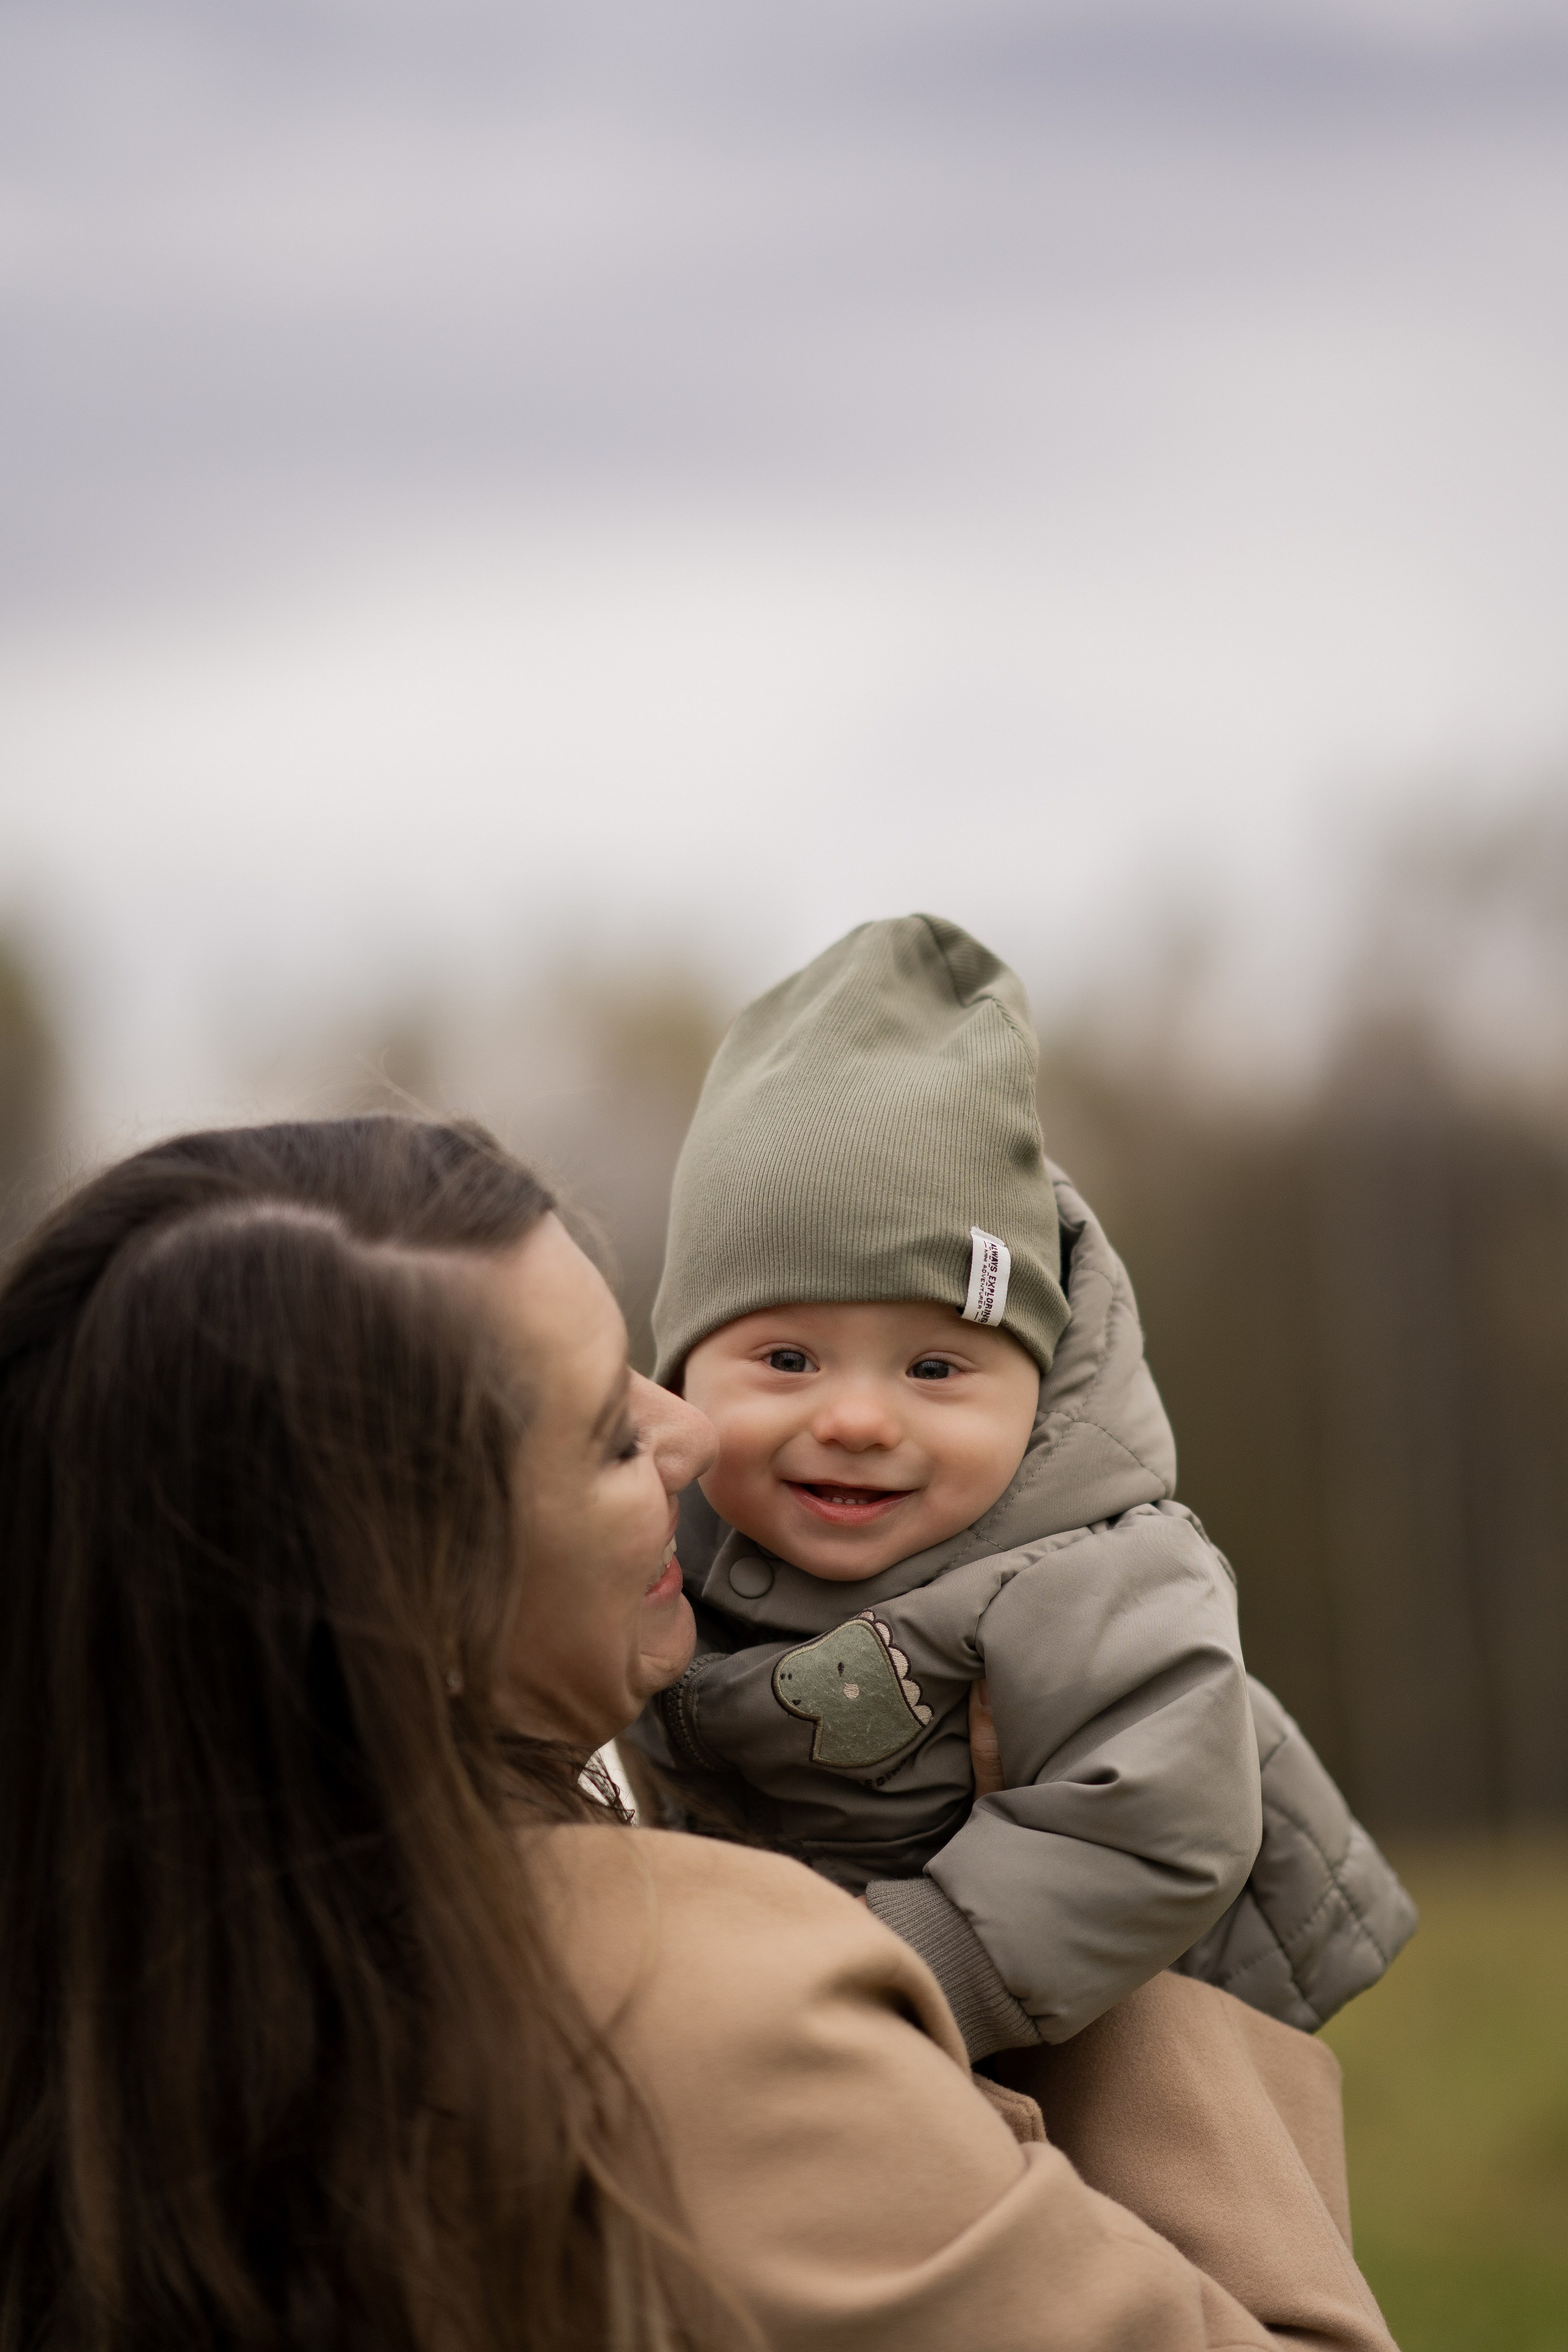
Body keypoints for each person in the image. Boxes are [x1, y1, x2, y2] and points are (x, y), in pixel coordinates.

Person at [0, 1114, 1396, 2348]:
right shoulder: (719, 2028)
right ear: (411, 1600)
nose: (691, 1435)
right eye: (609, 1436)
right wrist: (1113, 1888)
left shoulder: (114, 1976)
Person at [627, 914, 1415, 2055]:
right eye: (788, 1360)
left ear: (1035, 1389)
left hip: (1112, 2023)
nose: (854, 1418)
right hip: (800, 1997)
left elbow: (1162, 1827)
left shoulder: (1097, 1569)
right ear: (683, 1364)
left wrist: (920, 1962)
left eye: (935, 1368)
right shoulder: (655, 1537)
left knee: (1178, 2219)